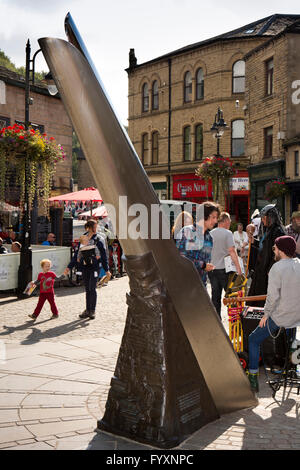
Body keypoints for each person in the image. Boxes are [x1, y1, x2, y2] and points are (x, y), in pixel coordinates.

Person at [247, 236, 300, 392]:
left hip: (282, 316)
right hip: (297, 316)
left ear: (281, 250)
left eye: (275, 248)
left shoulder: (277, 268)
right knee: (290, 333)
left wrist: (265, 315)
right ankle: (290, 360)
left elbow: (272, 298)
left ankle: (253, 378)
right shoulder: (298, 264)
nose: (274, 251)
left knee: (253, 340)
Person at [64, 219, 111, 320]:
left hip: (95, 267)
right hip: (85, 266)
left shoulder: (99, 239)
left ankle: (92, 310)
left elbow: (103, 255)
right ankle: (87, 310)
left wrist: (107, 270)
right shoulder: (83, 238)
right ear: (89, 228)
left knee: (92, 288)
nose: (97, 228)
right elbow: (77, 254)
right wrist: (69, 267)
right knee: (87, 289)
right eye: (95, 226)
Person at [247, 204, 286, 306]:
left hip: (269, 272)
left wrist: (271, 268)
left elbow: (279, 253)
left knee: (266, 300)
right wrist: (254, 242)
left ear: (270, 217)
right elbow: (264, 249)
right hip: (261, 270)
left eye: (264, 218)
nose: (262, 220)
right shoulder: (268, 230)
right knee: (256, 300)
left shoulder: (278, 232)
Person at [176, 201, 220, 286]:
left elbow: (206, 261)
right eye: (213, 217)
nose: (215, 221)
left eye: (216, 218)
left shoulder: (209, 238)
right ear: (204, 216)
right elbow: (180, 258)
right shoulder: (187, 231)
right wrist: (203, 265)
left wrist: (208, 266)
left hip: (201, 286)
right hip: (184, 286)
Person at [208, 212, 242, 317]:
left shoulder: (210, 233)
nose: (230, 223)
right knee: (231, 296)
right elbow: (232, 251)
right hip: (224, 270)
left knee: (215, 297)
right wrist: (239, 269)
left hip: (212, 270)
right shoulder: (228, 233)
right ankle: (233, 320)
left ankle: (217, 322)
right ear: (225, 221)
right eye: (229, 221)